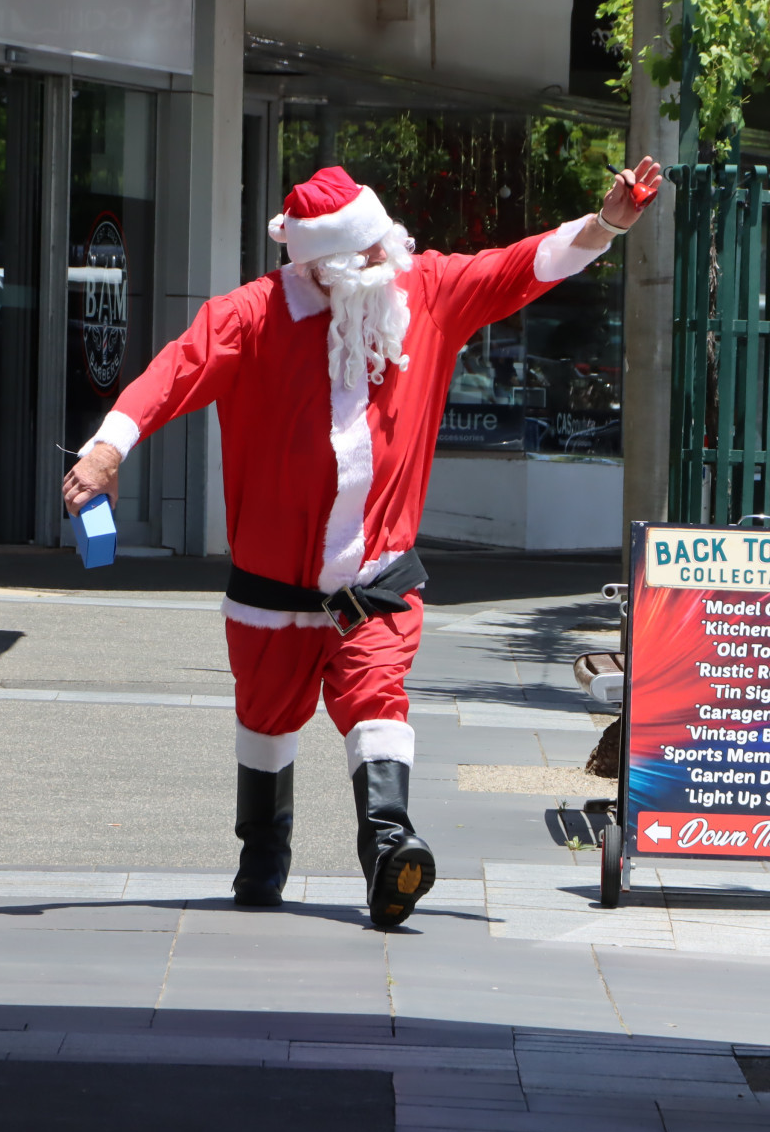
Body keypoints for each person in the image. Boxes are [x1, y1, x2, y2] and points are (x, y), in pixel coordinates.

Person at [62, 158, 663, 928]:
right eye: (372, 255)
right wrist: (108, 448)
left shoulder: (425, 291)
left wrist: (605, 223)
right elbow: (172, 373)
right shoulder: (250, 315)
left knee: (377, 700)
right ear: (323, 266)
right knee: (267, 721)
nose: (391, 262)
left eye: (387, 246)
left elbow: (522, 266)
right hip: (271, 594)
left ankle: (390, 849)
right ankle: (263, 852)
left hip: (374, 584)